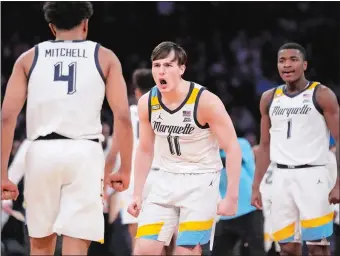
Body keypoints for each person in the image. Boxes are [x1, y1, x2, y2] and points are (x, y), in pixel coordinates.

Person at [1, 2, 133, 255]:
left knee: (40, 245)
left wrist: (2, 173)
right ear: (86, 23)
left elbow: (7, 118)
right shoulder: (104, 56)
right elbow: (123, 117)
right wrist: (124, 168)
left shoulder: (28, 58)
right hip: (85, 153)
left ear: (51, 27)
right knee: (77, 244)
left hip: (40, 153)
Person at [127, 41, 242, 255]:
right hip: (165, 178)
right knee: (144, 250)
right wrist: (137, 193)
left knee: (184, 252)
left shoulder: (205, 101)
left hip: (201, 180)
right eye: (157, 65)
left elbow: (232, 147)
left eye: (168, 65)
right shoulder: (147, 102)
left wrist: (231, 196)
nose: (161, 71)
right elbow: (144, 149)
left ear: (182, 69)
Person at [251, 42, 340, 256]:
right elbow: (265, 146)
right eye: (282, 61)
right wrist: (256, 186)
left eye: (293, 60)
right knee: (287, 247)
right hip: (280, 176)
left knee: (318, 247)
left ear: (305, 65)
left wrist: (338, 184)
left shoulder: (322, 94)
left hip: (314, 175)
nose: (287, 65)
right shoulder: (269, 98)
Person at [104, 68, 157, 252]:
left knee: (137, 242)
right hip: (160, 177)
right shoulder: (168, 111)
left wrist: (103, 189)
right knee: (165, 242)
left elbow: (112, 155)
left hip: (135, 180)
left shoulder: (127, 114)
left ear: (136, 91)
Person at [212, 138, 266, 256]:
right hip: (225, 213)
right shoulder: (209, 151)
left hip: (249, 208)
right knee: (218, 252)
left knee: (257, 251)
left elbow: (244, 165)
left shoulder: (241, 143)